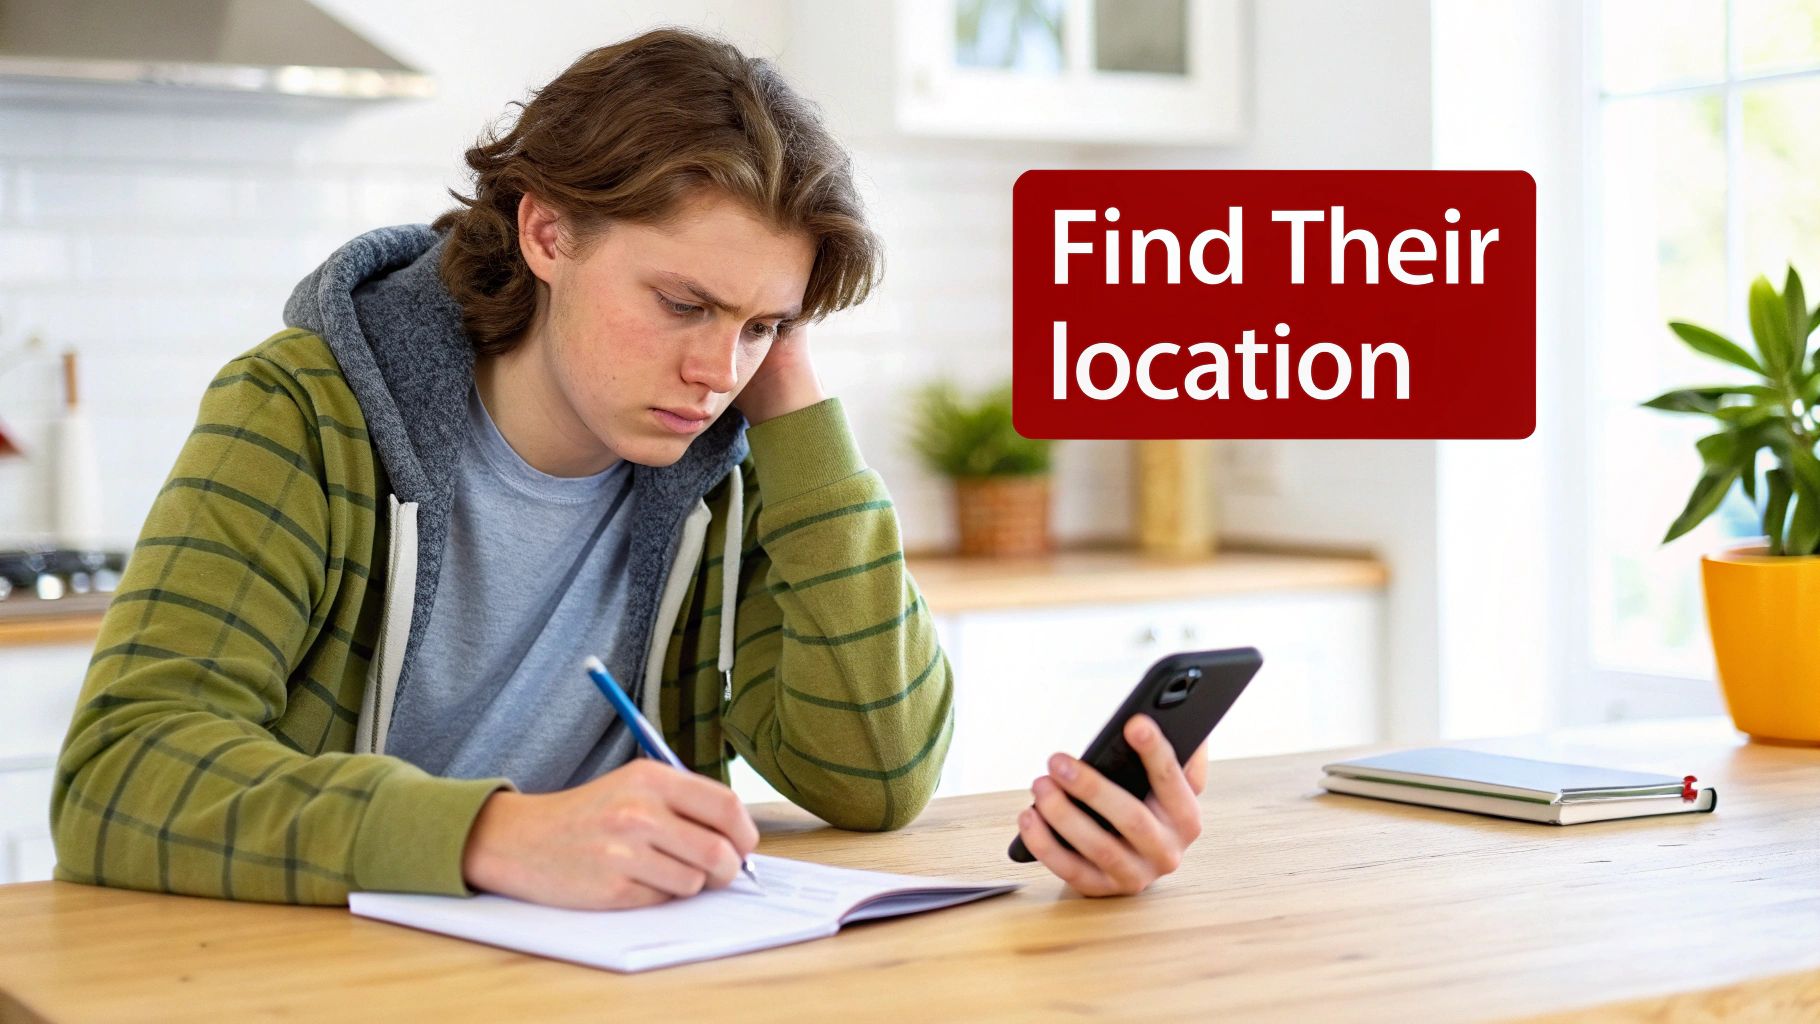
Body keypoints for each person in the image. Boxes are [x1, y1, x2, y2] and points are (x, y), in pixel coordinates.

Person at [49, 27, 1206, 908]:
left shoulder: (731, 454)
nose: (715, 370)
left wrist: (794, 402)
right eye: (682, 302)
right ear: (546, 233)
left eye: (761, 323)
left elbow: (873, 774)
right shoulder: (307, 410)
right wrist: (491, 834)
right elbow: (118, 772)